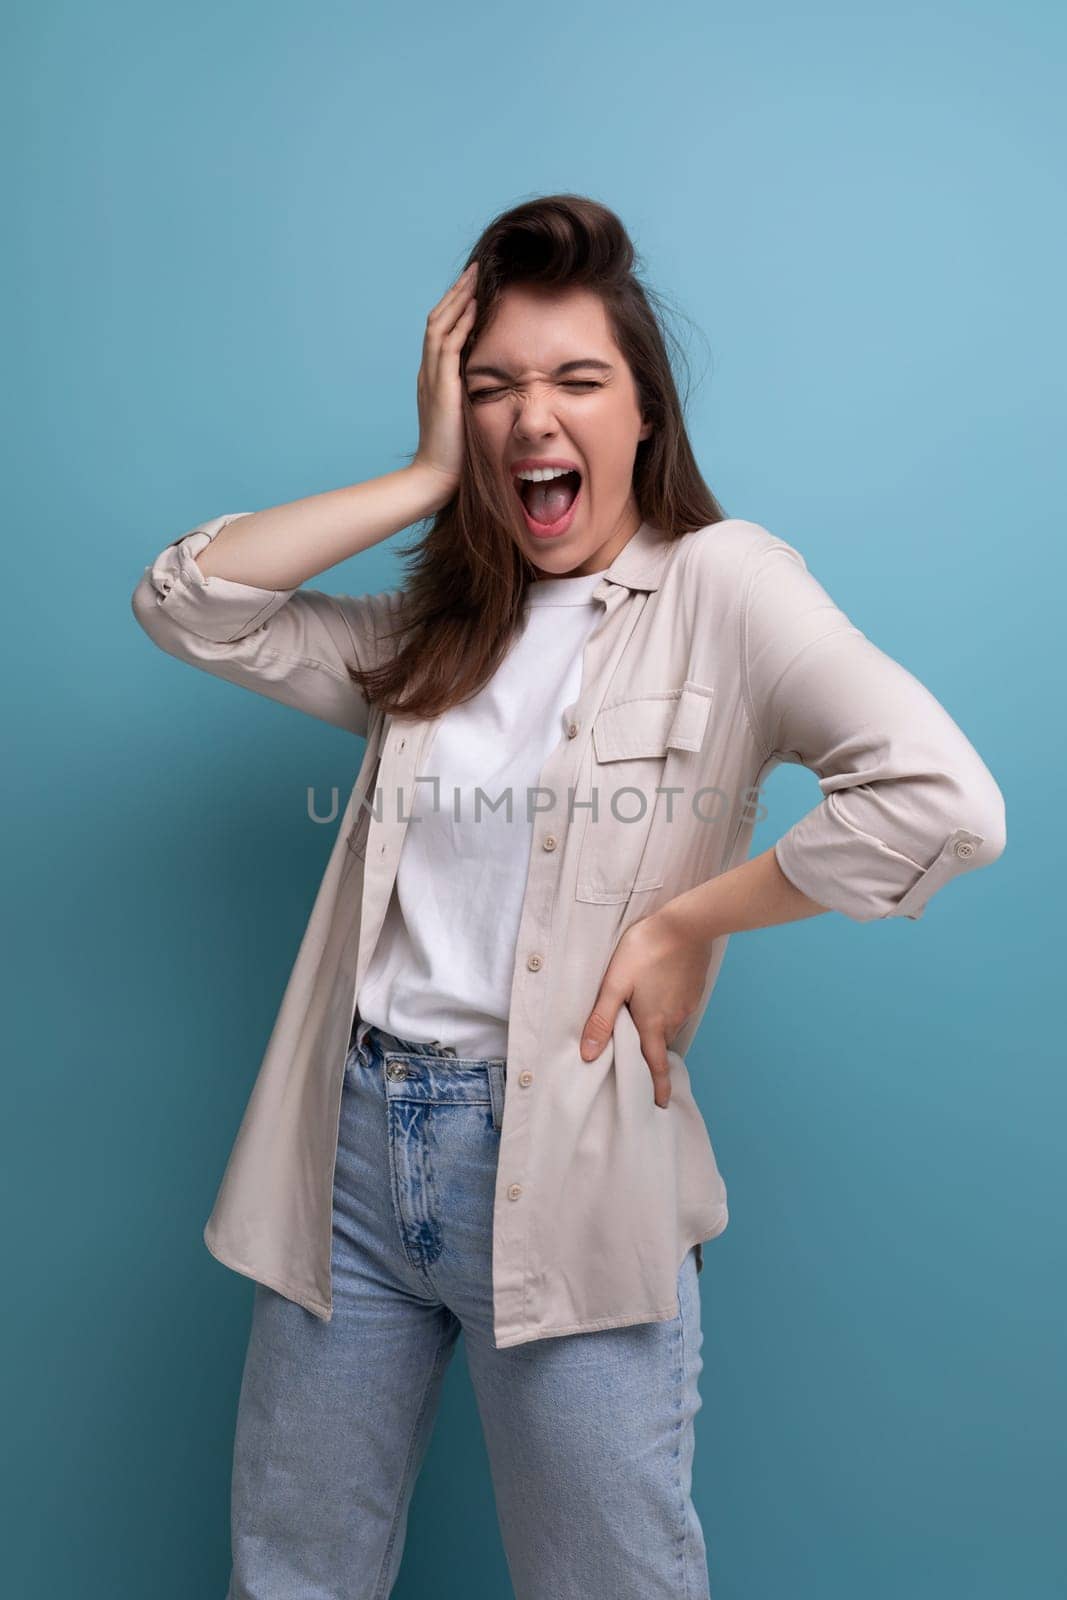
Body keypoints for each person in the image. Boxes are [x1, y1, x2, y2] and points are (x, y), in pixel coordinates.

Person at [130, 194, 1006, 1599]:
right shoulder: (436, 628)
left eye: (577, 380)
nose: (535, 417)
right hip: (350, 1157)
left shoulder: (726, 586)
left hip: (574, 1160)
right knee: (293, 1576)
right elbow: (188, 602)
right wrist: (424, 476)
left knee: (607, 1582)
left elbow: (945, 803)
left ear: (644, 411)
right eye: (495, 388)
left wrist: (686, 921)